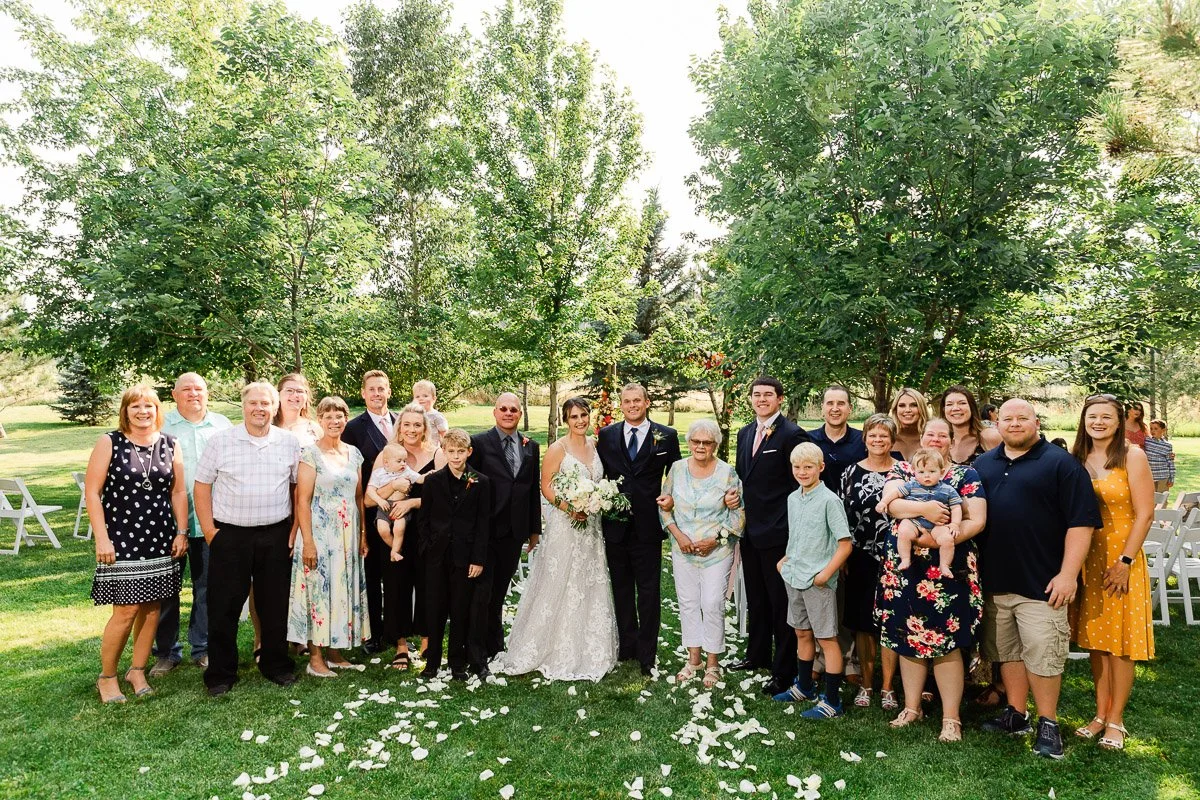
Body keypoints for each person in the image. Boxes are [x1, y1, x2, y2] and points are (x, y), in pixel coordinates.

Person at [973, 398, 1101, 759]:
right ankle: (1016, 713)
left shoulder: (1061, 465)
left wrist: (1068, 574)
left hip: (1043, 584)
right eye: (1008, 418)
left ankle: (1048, 722)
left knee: (1044, 655)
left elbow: (1081, 523)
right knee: (1007, 652)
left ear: (1036, 422)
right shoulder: (983, 465)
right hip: (995, 582)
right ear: (997, 424)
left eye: (1022, 418)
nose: (1014, 424)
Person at [876, 416, 988, 743]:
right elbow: (891, 504)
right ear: (922, 438)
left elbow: (976, 520)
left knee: (946, 640)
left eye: (943, 435)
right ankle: (912, 707)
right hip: (908, 568)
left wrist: (936, 539)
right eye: (930, 434)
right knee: (910, 636)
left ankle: (951, 718)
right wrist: (923, 512)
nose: (936, 439)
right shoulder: (903, 469)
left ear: (952, 441)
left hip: (946, 567)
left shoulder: (967, 474)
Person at [492, 397, 619, 681]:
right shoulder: (557, 449)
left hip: (592, 527)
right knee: (559, 581)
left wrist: (596, 500)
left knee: (588, 580)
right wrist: (570, 507)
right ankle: (547, 646)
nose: (580, 421)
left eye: (584, 415)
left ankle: (590, 648)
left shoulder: (594, 446)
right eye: (574, 416)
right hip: (566, 525)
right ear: (565, 420)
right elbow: (546, 486)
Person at [194, 382, 301, 697]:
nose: (260, 409)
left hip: (275, 533)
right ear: (243, 406)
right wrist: (210, 531)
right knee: (223, 606)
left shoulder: (288, 442)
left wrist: (293, 526)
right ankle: (221, 674)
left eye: (266, 403)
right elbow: (201, 486)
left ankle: (275, 665)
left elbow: (296, 487)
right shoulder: (221, 441)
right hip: (230, 535)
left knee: (274, 604)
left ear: (275, 407)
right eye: (253, 403)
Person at [86, 385, 189, 702]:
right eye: (136, 407)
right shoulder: (110, 442)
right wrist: (101, 538)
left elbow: (177, 492)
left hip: (160, 536)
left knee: (153, 607)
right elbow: (92, 493)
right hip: (121, 537)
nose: (143, 412)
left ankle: (137, 670)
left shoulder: (171, 444)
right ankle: (107, 677)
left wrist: (182, 531)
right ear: (125, 411)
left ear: (158, 410)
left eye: (149, 406)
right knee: (127, 609)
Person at [1069, 394, 1155, 751]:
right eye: (1093, 416)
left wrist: (1125, 561)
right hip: (1088, 557)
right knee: (1096, 641)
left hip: (1122, 557)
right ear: (1084, 421)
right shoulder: (1076, 459)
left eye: (1106, 417)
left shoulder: (1132, 457)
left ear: (1120, 422)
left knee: (1120, 644)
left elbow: (1145, 513)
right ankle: (1100, 713)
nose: (1099, 422)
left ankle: (1116, 719)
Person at [730, 376, 811, 697]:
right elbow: (745, 477)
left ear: (779, 399)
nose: (762, 399)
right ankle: (756, 654)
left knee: (782, 604)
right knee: (757, 598)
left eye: (768, 395)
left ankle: (783, 670)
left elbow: (803, 483)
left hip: (779, 532)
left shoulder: (792, 434)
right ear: (750, 399)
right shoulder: (744, 432)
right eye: (756, 394)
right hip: (749, 530)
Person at [150, 372, 232, 676]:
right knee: (166, 590)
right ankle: (166, 652)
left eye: (199, 388)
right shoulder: (161, 426)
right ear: (174, 394)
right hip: (168, 522)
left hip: (211, 520)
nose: (193, 393)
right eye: (186, 389)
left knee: (208, 588)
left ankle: (203, 647)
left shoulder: (223, 425)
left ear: (207, 393)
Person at [597, 383, 681, 675]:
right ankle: (627, 647)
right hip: (615, 525)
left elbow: (677, 477)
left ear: (647, 403)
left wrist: (671, 498)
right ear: (621, 405)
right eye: (627, 401)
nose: (632, 405)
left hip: (648, 526)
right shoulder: (607, 435)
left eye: (637, 401)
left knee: (648, 592)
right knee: (621, 589)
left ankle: (648, 654)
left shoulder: (667, 436)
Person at [286, 396, 370, 678]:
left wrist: (362, 535)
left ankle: (334, 652)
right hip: (319, 535)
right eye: (328, 417)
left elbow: (358, 497)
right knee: (318, 592)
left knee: (340, 591)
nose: (334, 422)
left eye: (339, 416)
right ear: (319, 420)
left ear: (346, 419)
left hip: (347, 537)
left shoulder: (354, 453)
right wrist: (307, 541)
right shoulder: (310, 454)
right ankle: (316, 657)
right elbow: (302, 500)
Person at [658, 419, 744, 689]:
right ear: (689, 443)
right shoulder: (677, 469)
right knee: (688, 603)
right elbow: (664, 505)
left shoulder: (727, 473)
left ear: (715, 445)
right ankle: (693, 660)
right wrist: (679, 536)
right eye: (696, 442)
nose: (701, 446)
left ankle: (713, 663)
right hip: (683, 549)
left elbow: (738, 516)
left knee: (712, 603)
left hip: (716, 551)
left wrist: (714, 540)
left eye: (707, 442)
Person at [771, 443, 852, 720]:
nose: (802, 472)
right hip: (794, 575)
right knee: (801, 633)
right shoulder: (794, 498)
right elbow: (799, 535)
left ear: (821, 468)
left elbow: (844, 544)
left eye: (808, 467)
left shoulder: (830, 501)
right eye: (797, 467)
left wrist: (826, 574)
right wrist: (786, 559)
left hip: (818, 580)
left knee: (827, 639)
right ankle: (804, 686)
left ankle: (832, 701)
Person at [468, 393, 542, 661]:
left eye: (513, 409)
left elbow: (533, 490)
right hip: (486, 530)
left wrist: (534, 530)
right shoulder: (478, 443)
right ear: (494, 412)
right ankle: (476, 649)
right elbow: (469, 487)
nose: (508, 413)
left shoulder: (530, 446)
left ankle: (495, 645)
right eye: (503, 409)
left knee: (499, 590)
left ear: (520, 414)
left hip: (514, 531)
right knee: (482, 592)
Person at [416, 428, 491, 680]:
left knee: (460, 609)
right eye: (451, 452)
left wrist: (478, 559)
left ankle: (457, 662)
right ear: (444, 451)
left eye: (461, 452)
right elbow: (424, 519)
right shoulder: (433, 481)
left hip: (466, 557)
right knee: (435, 608)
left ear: (469, 452)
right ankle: (432, 662)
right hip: (437, 557)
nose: (456, 456)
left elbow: (483, 524)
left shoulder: (481, 482)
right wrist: (427, 546)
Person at [377, 403, 446, 670]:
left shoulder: (437, 455)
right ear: (399, 427)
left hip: (428, 530)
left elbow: (444, 496)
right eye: (407, 424)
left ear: (425, 428)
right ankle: (401, 644)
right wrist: (393, 489)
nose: (412, 429)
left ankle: (428, 640)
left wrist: (413, 503)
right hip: (393, 529)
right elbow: (371, 499)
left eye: (418, 424)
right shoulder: (388, 455)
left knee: (430, 584)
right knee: (396, 585)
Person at [839, 413, 900, 710]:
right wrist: (843, 555)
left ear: (893, 440)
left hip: (895, 556)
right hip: (860, 555)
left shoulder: (904, 471)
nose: (878, 440)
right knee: (863, 622)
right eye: (873, 435)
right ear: (864, 438)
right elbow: (842, 518)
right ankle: (866, 682)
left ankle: (888, 686)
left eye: (884, 436)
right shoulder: (850, 472)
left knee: (890, 620)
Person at [340, 369, 397, 654]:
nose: (377, 394)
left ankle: (397, 631)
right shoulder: (353, 429)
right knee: (372, 574)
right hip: (370, 510)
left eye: (381, 389)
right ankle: (374, 633)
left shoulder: (401, 422)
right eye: (371, 389)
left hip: (400, 512)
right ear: (363, 393)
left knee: (398, 573)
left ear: (389, 392)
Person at [877, 448, 962, 578]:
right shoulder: (911, 485)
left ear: (941, 472)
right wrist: (883, 502)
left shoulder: (948, 490)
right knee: (904, 530)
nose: (926, 475)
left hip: (937, 525)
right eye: (921, 472)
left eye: (932, 471)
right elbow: (895, 493)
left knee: (947, 539)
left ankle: (944, 565)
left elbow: (956, 507)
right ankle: (905, 559)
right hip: (914, 521)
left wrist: (955, 524)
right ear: (914, 472)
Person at [364, 443, 425, 563]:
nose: (403, 463)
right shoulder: (379, 473)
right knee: (383, 530)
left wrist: (429, 475)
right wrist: (380, 500)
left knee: (399, 528)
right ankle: (396, 548)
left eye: (404, 460)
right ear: (386, 462)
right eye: (399, 461)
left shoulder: (406, 471)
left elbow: (419, 479)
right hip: (384, 507)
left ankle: (395, 552)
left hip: (400, 505)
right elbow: (370, 491)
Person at [808, 385, 867, 493]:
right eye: (830, 403)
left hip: (853, 507)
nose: (835, 409)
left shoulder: (864, 440)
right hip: (818, 507)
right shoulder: (807, 440)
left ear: (850, 408)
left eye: (841, 403)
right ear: (822, 407)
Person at [939, 386, 1001, 465]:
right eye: (949, 404)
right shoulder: (939, 441)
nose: (955, 408)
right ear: (944, 409)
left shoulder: (989, 436)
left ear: (971, 407)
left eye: (962, 403)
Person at [274, 373, 323, 446]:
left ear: (306, 397)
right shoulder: (267, 425)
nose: (295, 395)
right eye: (289, 390)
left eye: (300, 391)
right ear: (278, 395)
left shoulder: (314, 430)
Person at [888, 388, 929, 461]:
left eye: (914, 405)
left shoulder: (931, 438)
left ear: (922, 408)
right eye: (902, 405)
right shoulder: (886, 438)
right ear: (895, 409)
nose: (907, 410)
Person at [413, 379, 449, 448]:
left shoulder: (436, 416)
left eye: (425, 396)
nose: (421, 399)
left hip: (432, 451)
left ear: (434, 399)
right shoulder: (413, 415)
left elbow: (445, 435)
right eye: (417, 396)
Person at [1144, 419, 1175, 494]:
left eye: (1156, 429)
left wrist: (1171, 478)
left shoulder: (1167, 445)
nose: (1152, 431)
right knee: (1151, 499)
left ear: (1163, 430)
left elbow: (1170, 463)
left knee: (1162, 500)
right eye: (1151, 428)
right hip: (1150, 476)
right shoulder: (1147, 441)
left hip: (1163, 477)